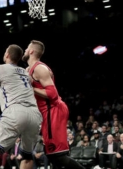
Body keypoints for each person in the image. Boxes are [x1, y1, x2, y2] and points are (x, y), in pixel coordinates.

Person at [0, 44, 43, 169]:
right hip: (35, 115)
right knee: (27, 156)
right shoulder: (25, 73)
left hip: (15, 111)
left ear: (7, 55)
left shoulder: (0, 68)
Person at [22, 40, 85, 169]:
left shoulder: (39, 68)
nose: (25, 50)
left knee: (57, 155)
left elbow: (52, 94)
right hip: (46, 113)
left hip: (53, 110)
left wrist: (31, 88)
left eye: (27, 48)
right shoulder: (28, 70)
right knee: (51, 154)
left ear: (32, 51)